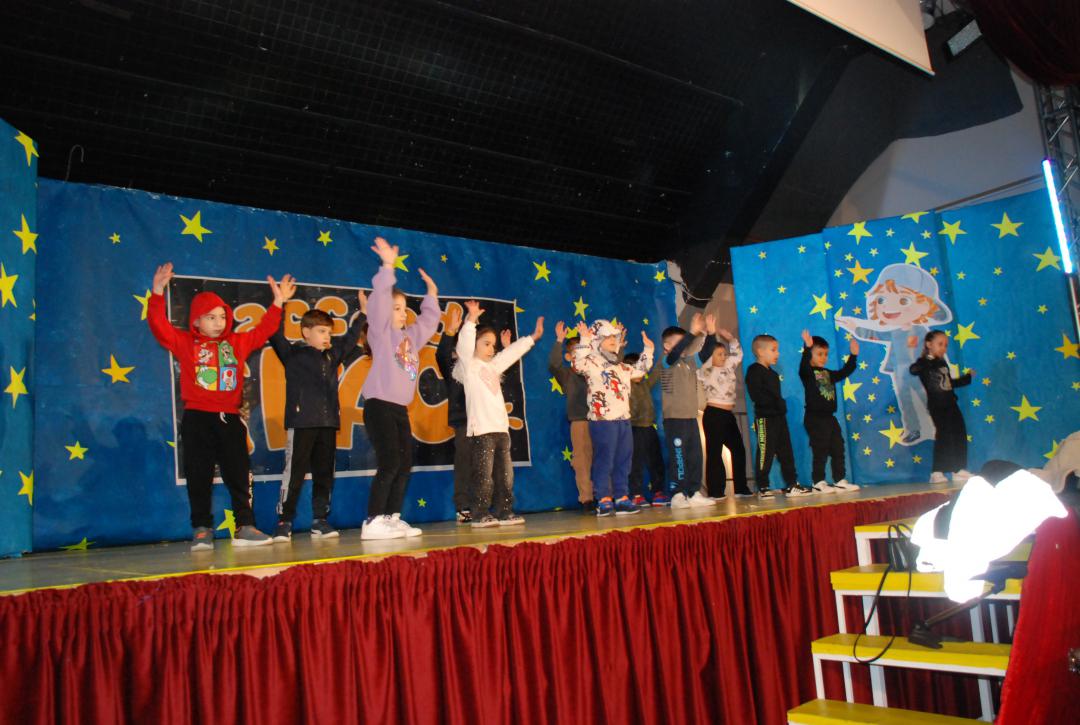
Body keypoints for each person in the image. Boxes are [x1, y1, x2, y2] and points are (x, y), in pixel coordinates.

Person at [146, 262, 294, 550]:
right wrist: (157, 292)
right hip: (197, 418)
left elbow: (264, 329)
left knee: (239, 473)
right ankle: (202, 528)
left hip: (229, 418)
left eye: (223, 316)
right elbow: (160, 327)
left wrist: (278, 302)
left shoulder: (237, 342)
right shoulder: (185, 342)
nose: (218, 322)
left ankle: (245, 526)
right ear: (196, 322)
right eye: (210, 317)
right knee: (199, 475)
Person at [360, 236, 441, 540]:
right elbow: (379, 304)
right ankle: (372, 520)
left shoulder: (410, 339)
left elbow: (428, 322)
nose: (402, 313)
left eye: (405, 309)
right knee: (390, 461)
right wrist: (387, 267)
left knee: (404, 462)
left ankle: (391, 517)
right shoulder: (380, 334)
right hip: (379, 405)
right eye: (396, 308)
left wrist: (431, 295)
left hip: (399, 408)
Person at [268, 290, 366, 542]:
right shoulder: (292, 355)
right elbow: (273, 332)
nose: (327, 337)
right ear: (305, 332)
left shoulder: (332, 356)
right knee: (294, 473)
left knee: (324, 473)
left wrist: (363, 314)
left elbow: (350, 338)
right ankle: (284, 521)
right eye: (321, 331)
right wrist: (278, 303)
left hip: (328, 424)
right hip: (301, 424)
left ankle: (320, 519)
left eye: (329, 333)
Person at [455, 300, 544, 527]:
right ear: (474, 345)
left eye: (493, 345)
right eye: (486, 344)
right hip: (482, 432)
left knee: (506, 476)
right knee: (484, 477)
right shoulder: (469, 367)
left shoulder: (493, 367)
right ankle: (480, 514)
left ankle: (505, 511)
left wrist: (532, 338)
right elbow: (464, 345)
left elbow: (510, 354)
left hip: (502, 431)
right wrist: (471, 320)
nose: (491, 349)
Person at [572, 320, 654, 516]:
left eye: (614, 337)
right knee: (604, 460)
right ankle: (604, 499)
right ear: (597, 341)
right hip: (603, 421)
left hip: (623, 421)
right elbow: (577, 364)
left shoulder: (621, 367)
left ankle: (621, 497)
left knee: (623, 460)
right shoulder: (591, 362)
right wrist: (585, 339)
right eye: (607, 337)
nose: (612, 340)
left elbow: (640, 370)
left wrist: (648, 350)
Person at [660, 313, 716, 509]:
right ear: (667, 346)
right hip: (674, 419)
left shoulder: (689, 363)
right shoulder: (666, 362)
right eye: (679, 342)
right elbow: (675, 353)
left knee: (695, 456)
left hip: (691, 417)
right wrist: (691, 333)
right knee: (679, 456)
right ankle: (677, 493)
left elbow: (706, 354)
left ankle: (693, 492)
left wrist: (711, 334)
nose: (684, 346)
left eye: (685, 342)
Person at [745, 334, 811, 497]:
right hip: (765, 419)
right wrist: (776, 403)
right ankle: (763, 486)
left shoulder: (773, 375)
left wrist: (780, 406)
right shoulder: (754, 371)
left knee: (786, 452)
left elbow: (775, 396)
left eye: (777, 350)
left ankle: (791, 484)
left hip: (779, 419)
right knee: (765, 453)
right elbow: (757, 395)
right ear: (760, 352)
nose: (778, 353)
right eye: (773, 350)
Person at [798, 329, 860, 493]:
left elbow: (844, 372)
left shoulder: (828, 373)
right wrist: (807, 347)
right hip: (814, 418)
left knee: (838, 448)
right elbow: (803, 365)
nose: (824, 357)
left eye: (826, 354)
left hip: (830, 418)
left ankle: (839, 480)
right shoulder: (807, 373)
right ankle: (818, 482)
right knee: (821, 449)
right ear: (810, 354)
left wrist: (853, 356)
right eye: (819, 354)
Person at [909, 330, 973, 484]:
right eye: (940, 344)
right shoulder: (924, 363)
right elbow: (913, 369)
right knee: (944, 435)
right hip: (937, 405)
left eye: (945, 345)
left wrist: (967, 377)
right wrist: (929, 358)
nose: (943, 348)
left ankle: (958, 469)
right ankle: (937, 471)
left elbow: (948, 383)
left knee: (959, 433)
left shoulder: (942, 363)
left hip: (951, 403)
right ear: (929, 344)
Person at [697, 324, 749, 499]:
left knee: (738, 449)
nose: (723, 357)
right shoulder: (706, 370)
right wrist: (707, 336)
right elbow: (704, 354)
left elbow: (738, 355)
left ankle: (741, 488)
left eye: (724, 354)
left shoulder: (728, 366)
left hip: (727, 415)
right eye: (719, 354)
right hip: (714, 414)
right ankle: (716, 491)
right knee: (714, 452)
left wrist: (731, 339)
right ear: (710, 356)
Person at [435, 303, 474, 523]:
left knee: (488, 465)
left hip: (485, 422)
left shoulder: (480, 365)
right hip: (463, 422)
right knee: (464, 464)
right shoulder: (454, 368)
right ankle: (463, 506)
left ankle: (485, 505)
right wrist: (450, 331)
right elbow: (441, 355)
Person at [550, 322, 595, 510]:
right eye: (577, 352)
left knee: (603, 457)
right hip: (580, 421)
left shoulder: (593, 371)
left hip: (600, 420)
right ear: (569, 357)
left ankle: (606, 496)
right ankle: (587, 498)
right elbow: (554, 364)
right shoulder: (567, 374)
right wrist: (559, 340)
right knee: (581, 460)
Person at [624, 351, 668, 507]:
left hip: (649, 428)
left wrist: (664, 356)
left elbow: (656, 372)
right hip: (634, 429)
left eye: (642, 369)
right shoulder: (624, 387)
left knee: (656, 461)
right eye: (637, 369)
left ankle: (658, 492)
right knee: (635, 463)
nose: (641, 373)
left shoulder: (645, 385)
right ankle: (636, 494)